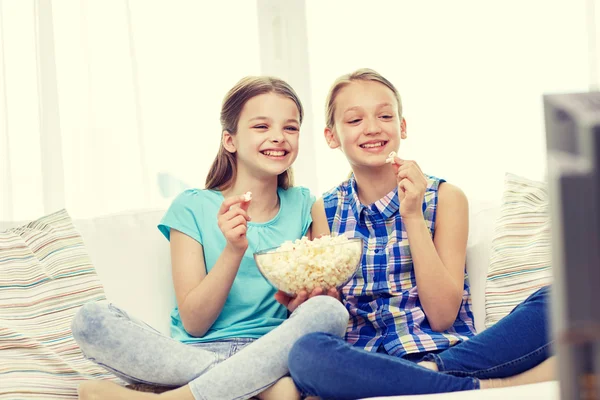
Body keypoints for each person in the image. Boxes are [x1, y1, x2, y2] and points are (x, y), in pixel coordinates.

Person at [71, 76, 349, 400]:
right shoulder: (192, 206)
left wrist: (312, 298)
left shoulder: (306, 206)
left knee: (331, 312)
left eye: (290, 128)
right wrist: (233, 249)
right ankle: (256, 387)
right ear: (229, 140)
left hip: (273, 349)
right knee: (90, 320)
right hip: (194, 354)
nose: (278, 137)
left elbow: (317, 305)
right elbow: (195, 323)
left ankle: (178, 397)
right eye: (261, 126)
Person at [283, 68, 554, 399]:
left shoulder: (445, 197)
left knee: (563, 299)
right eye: (354, 120)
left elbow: (441, 317)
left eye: (385, 115)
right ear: (331, 136)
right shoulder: (323, 210)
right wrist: (320, 301)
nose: (372, 127)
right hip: (365, 361)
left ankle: (425, 378)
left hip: (444, 353)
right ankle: (471, 388)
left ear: (402, 126)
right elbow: (333, 313)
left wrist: (411, 214)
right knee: (306, 352)